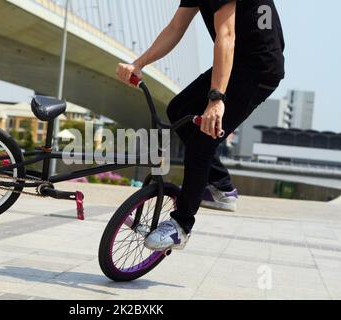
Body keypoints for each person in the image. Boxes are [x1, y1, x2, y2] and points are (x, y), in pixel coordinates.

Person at [116, 0, 285, 251]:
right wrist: (139, 64)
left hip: (259, 67)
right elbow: (176, 27)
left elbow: (226, 35)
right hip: (238, 61)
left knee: (204, 137)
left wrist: (216, 99)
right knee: (178, 110)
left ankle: (181, 225)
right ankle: (221, 186)